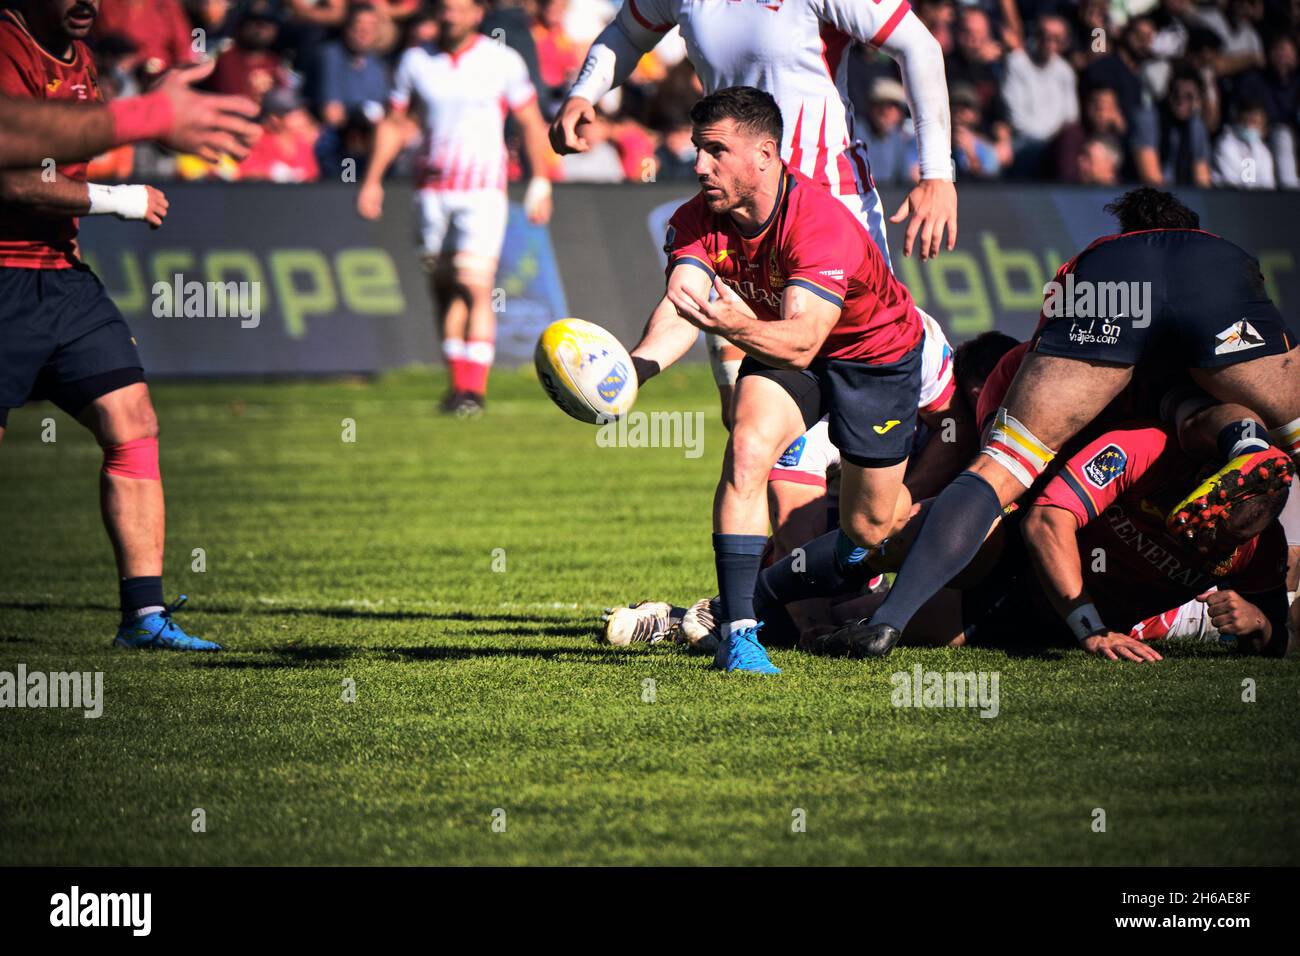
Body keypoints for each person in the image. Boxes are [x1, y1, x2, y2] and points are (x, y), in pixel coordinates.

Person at [836, 186, 1300, 658]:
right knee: (1245, 421)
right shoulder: (1218, 261)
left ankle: (885, 621)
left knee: (1002, 467)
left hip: (1063, 516)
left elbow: (1036, 390)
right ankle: (1250, 446)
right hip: (1216, 285)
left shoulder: (1107, 266)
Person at [625, 87, 928, 674]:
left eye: (716, 151)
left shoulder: (818, 223)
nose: (699, 165)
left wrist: (734, 320)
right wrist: (633, 371)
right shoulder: (695, 219)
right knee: (746, 449)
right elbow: (682, 303)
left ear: (764, 154)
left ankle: (776, 591)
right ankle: (740, 635)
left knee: (868, 529)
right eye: (697, 149)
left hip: (874, 359)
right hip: (788, 351)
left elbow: (805, 337)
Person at [0, 0, 220, 650]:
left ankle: (144, 619)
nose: (85, 3)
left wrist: (163, 127)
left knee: (133, 421)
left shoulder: (84, 60)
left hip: (62, 277)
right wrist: (117, 199)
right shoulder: (7, 45)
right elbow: (10, 181)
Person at [550, 0, 957, 264]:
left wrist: (937, 174)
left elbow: (919, 46)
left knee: (865, 365)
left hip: (826, 191)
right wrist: (583, 93)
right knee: (739, 362)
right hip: (734, 196)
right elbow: (626, 32)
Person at [356, 0, 553, 416]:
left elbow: (531, 121)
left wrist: (540, 181)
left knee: (473, 283)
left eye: (459, 9)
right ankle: (458, 387)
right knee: (443, 288)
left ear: (476, 14)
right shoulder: (415, 61)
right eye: (445, 10)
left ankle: (474, 392)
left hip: (482, 189)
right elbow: (395, 123)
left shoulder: (501, 60)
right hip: (430, 191)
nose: (451, 17)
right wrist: (372, 179)